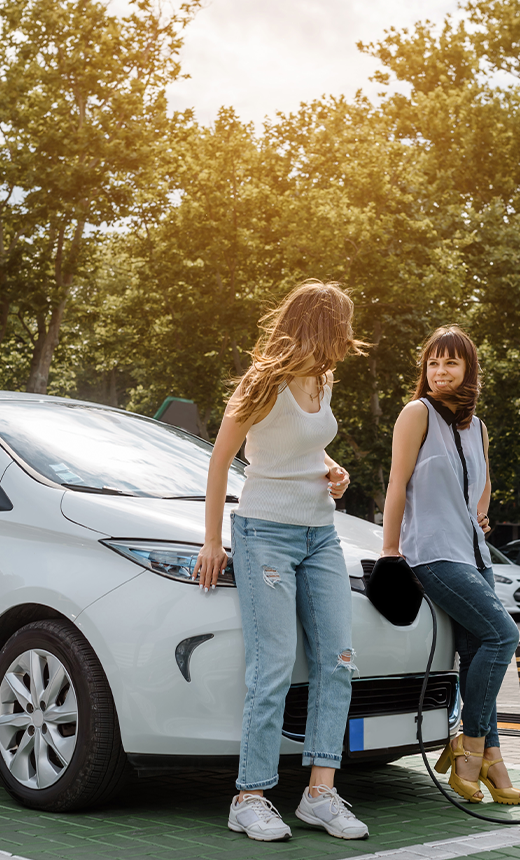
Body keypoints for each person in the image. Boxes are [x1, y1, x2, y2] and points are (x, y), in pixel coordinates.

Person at [195, 281, 370, 842]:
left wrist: (332, 468)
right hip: (265, 533)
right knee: (272, 665)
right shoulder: (262, 381)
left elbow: (303, 445)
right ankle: (249, 798)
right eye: (343, 324)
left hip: (321, 534)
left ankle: (319, 794)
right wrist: (213, 540)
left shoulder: (323, 378)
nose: (348, 336)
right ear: (323, 325)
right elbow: (221, 459)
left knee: (337, 661)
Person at [380, 325, 520, 805]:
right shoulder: (416, 413)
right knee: (503, 636)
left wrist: (480, 513)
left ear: (469, 369)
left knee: (479, 655)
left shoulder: (477, 427)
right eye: (433, 363)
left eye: (451, 363)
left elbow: (483, 480)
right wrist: (389, 549)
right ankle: (473, 745)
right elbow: (397, 482)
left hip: (474, 554)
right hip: (432, 552)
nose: (440, 372)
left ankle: (490, 759)